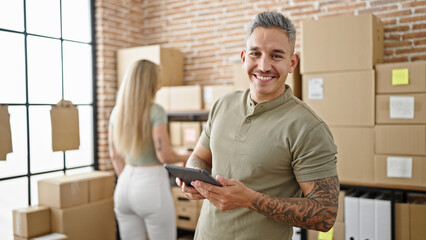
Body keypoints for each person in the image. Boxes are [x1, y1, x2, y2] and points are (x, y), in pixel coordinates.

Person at [178, 11, 339, 239]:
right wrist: (193, 175)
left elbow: (325, 214)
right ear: (244, 57)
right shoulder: (223, 104)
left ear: (292, 62)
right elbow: (200, 157)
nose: (263, 66)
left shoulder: (308, 127)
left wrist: (250, 199)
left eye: (276, 56)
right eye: (256, 53)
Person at [108, 59, 191, 240]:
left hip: (123, 185)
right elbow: (164, 155)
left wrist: (128, 179)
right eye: (158, 81)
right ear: (149, 83)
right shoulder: (156, 111)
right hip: (151, 184)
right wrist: (187, 154)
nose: (160, 86)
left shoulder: (117, 112)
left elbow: (114, 155)